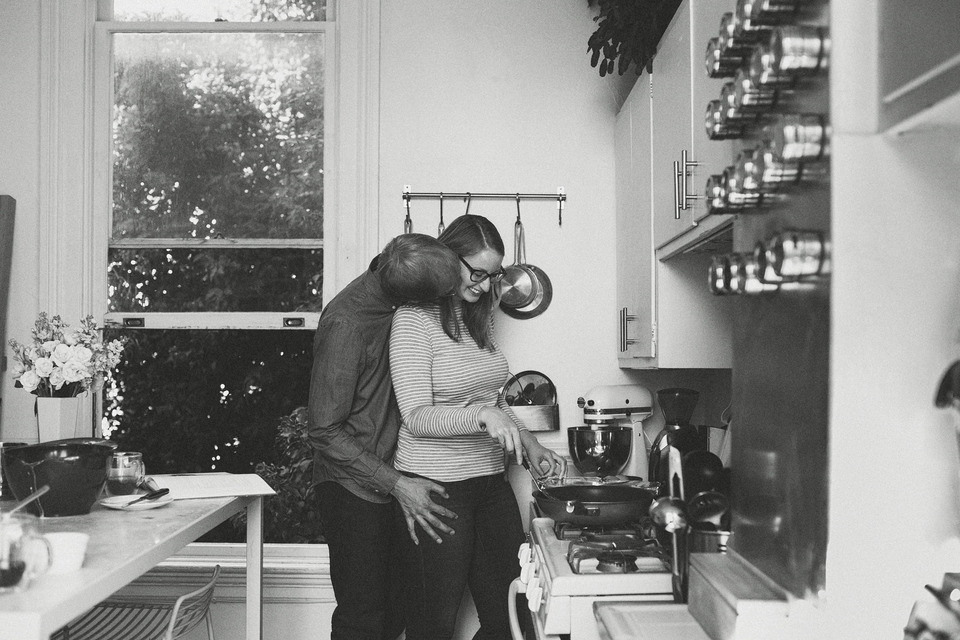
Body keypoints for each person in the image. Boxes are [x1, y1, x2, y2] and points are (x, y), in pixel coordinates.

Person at [388, 214, 566, 640]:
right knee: (432, 628)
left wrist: (529, 445)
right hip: (436, 492)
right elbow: (416, 415)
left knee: (513, 620)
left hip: (491, 486)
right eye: (478, 273)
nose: (487, 286)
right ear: (448, 260)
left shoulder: (478, 316)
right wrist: (481, 416)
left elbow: (494, 398)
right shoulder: (413, 320)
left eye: (495, 275)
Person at [307, 233, 463, 640]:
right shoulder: (346, 324)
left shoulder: (400, 290)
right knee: (363, 620)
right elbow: (323, 429)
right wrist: (397, 484)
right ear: (415, 298)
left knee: (397, 612)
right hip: (352, 489)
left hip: (395, 477)